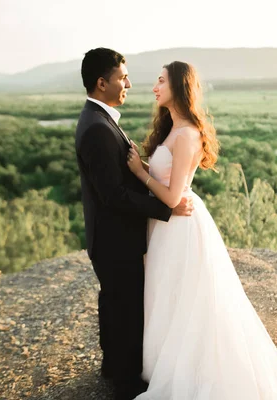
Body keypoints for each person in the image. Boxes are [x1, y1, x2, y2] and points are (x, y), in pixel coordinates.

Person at [126, 61, 277, 399]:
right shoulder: (171, 128)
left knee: (184, 300)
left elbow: (171, 196)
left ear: (180, 86)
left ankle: (189, 374)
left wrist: (139, 171)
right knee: (164, 295)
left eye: (160, 81)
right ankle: (160, 365)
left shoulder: (187, 135)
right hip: (163, 227)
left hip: (179, 227)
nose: (154, 87)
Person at [74, 48, 194, 400]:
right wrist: (166, 209)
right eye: (122, 77)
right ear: (101, 83)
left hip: (111, 237)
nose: (128, 83)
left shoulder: (100, 119)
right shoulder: (97, 127)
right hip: (114, 240)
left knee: (116, 302)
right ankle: (125, 383)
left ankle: (113, 366)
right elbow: (113, 195)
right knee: (125, 306)